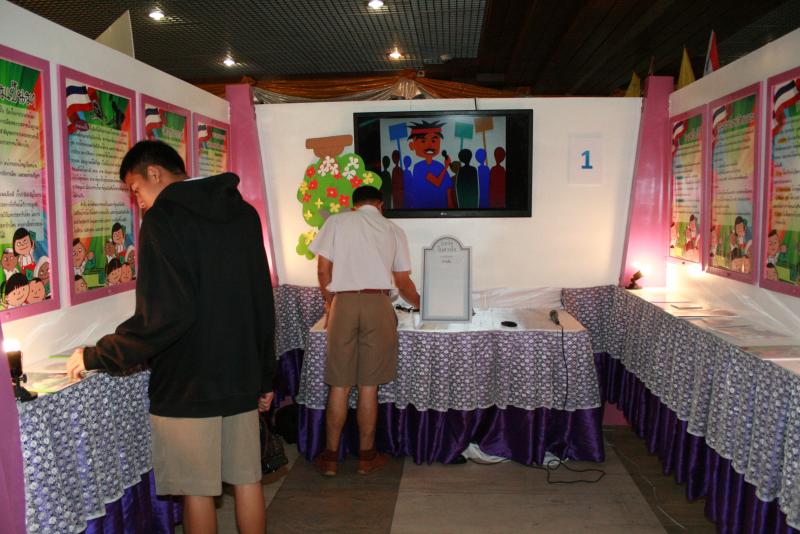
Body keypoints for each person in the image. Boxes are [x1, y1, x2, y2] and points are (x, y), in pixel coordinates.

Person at [66, 140, 276, 534]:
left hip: (187, 381)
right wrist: (265, 375)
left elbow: (163, 317)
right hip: (240, 373)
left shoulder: (162, 219)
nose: (139, 202)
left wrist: (97, 354)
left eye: (136, 190)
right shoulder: (243, 213)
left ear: (155, 173)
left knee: (196, 492)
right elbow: (262, 299)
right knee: (248, 479)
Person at [309, 185, 420, 476]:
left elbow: (322, 271)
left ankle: (330, 459)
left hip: (344, 303)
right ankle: (367, 458)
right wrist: (424, 304)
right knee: (369, 386)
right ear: (380, 205)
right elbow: (403, 282)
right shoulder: (393, 229)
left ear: (353, 205)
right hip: (378, 304)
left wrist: (330, 302)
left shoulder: (337, 222)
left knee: (340, 385)